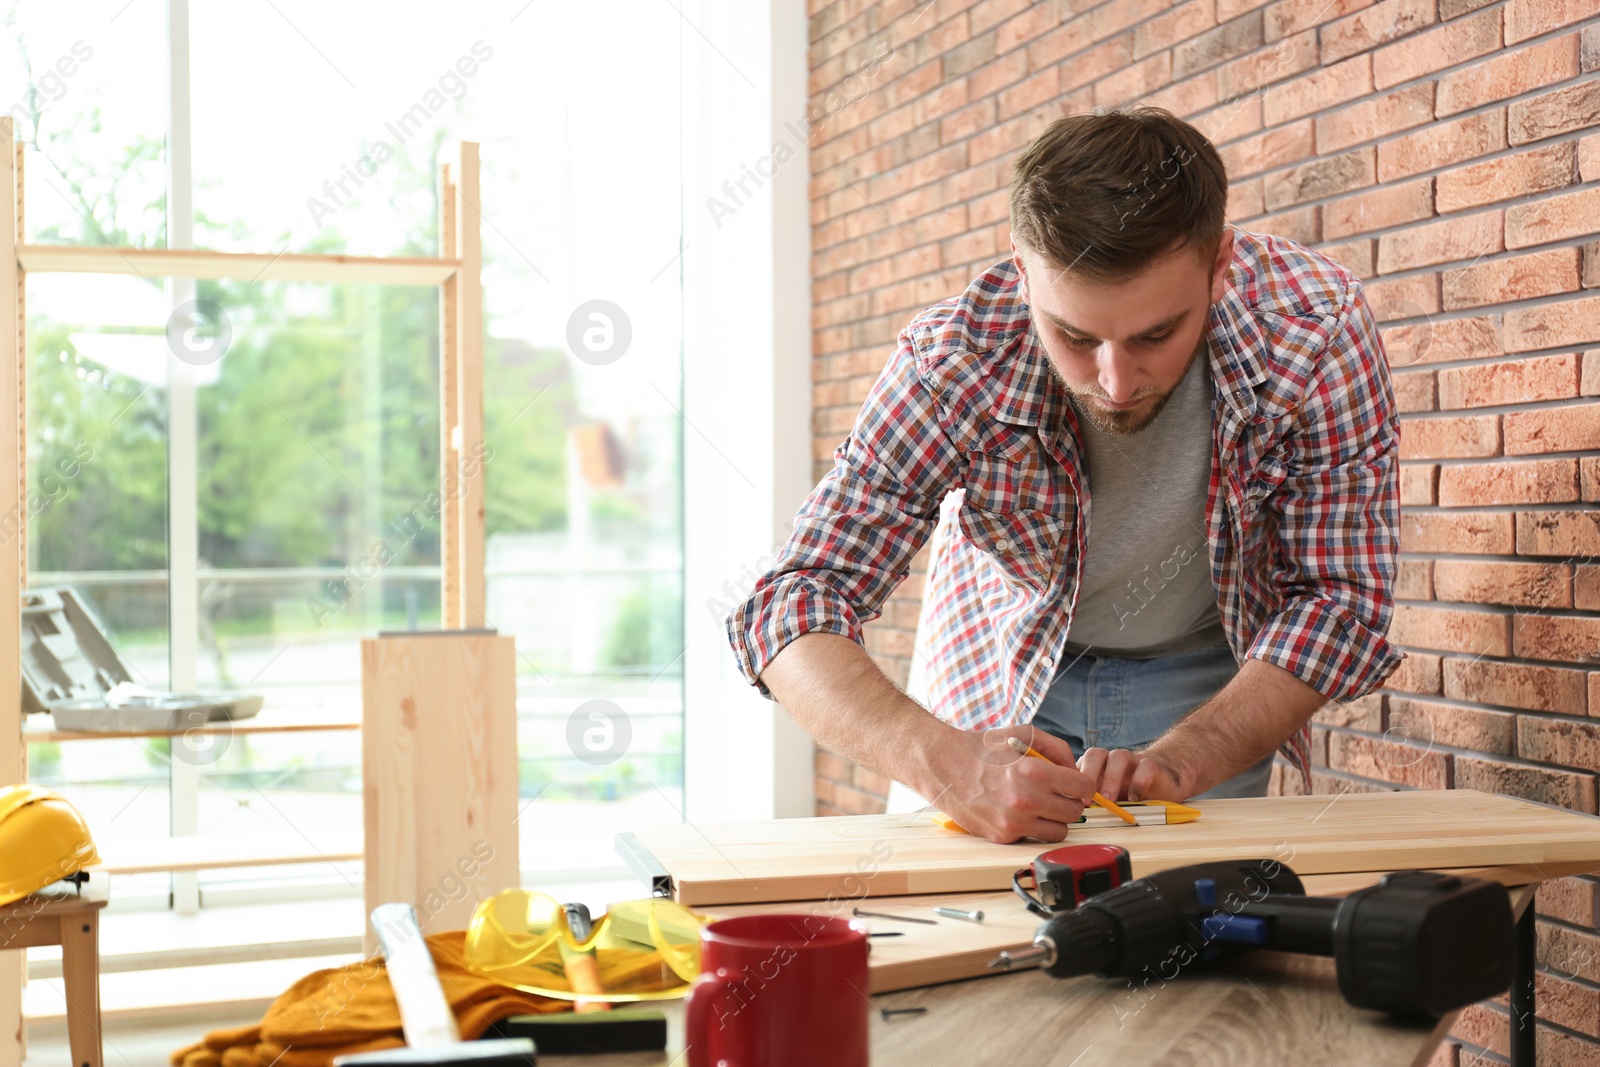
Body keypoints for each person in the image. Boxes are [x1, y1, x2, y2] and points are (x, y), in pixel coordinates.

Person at [726, 106, 1403, 844]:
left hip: (1211, 679)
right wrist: (948, 765)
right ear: (1022, 270)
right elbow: (791, 603)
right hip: (997, 665)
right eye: (1075, 336)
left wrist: (1189, 756)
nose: (1115, 383)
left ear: (1219, 267)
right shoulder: (954, 361)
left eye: (1156, 333)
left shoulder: (1314, 329)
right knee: (973, 933)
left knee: (1186, 927)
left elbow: (1339, 599)